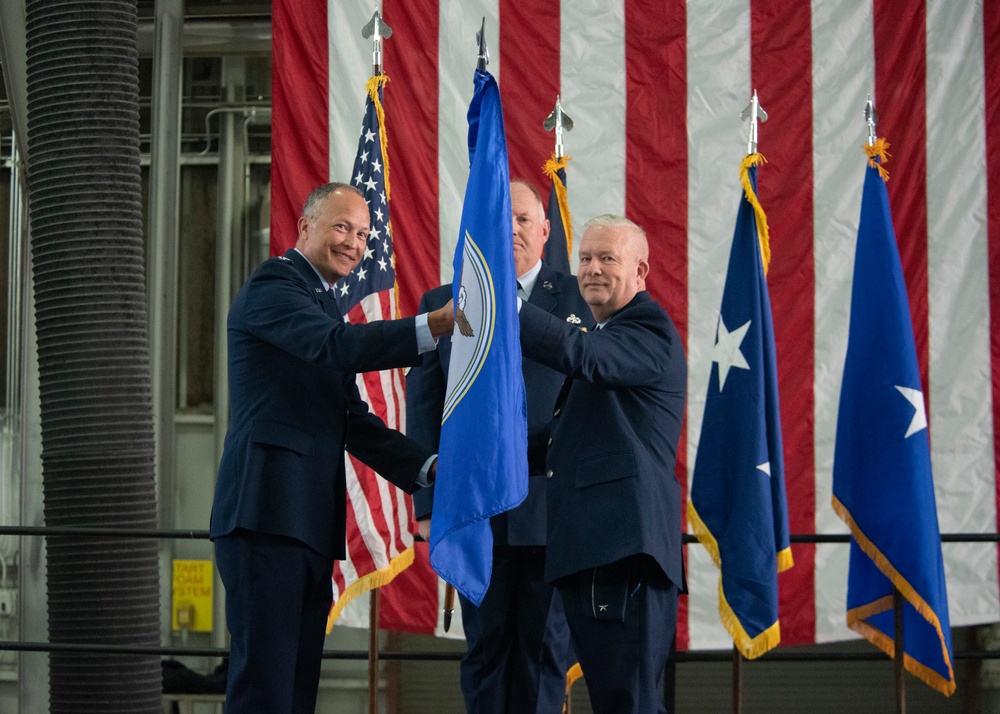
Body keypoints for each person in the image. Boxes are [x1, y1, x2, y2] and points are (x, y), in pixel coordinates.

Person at [209, 182, 454, 713]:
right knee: (265, 691)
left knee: (295, 692)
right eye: (342, 226)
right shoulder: (275, 283)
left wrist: (432, 467)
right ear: (305, 226)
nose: (355, 243)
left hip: (305, 526)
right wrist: (431, 327)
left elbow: (353, 421)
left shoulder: (321, 303)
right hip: (265, 517)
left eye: (364, 234)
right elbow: (333, 348)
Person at [407, 179, 590, 713]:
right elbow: (424, 408)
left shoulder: (582, 298)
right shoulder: (444, 303)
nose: (510, 228)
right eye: (499, 218)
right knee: (485, 652)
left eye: (523, 219)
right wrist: (425, 501)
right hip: (474, 509)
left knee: (543, 653)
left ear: (545, 230)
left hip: (551, 508)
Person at [516, 214, 687, 714]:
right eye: (585, 258)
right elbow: (560, 444)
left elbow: (579, 353)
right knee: (621, 698)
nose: (591, 268)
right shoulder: (610, 334)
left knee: (627, 700)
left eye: (607, 258)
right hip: (598, 551)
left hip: (618, 550)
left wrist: (507, 305)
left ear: (641, 272)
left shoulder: (647, 330)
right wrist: (467, 462)